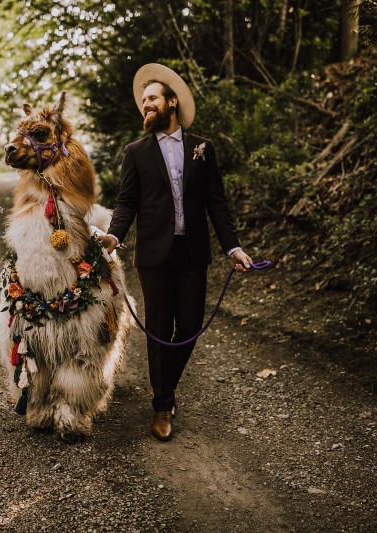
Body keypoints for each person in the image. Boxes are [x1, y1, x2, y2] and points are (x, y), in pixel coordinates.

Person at [99, 64, 253, 442]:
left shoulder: (202, 148)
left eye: (152, 98)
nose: (145, 105)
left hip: (193, 253)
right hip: (154, 254)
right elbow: (127, 201)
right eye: (143, 101)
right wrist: (114, 237)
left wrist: (232, 245)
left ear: (172, 102)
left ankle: (165, 386)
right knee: (159, 331)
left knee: (188, 327)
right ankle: (163, 404)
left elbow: (217, 201)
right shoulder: (135, 151)